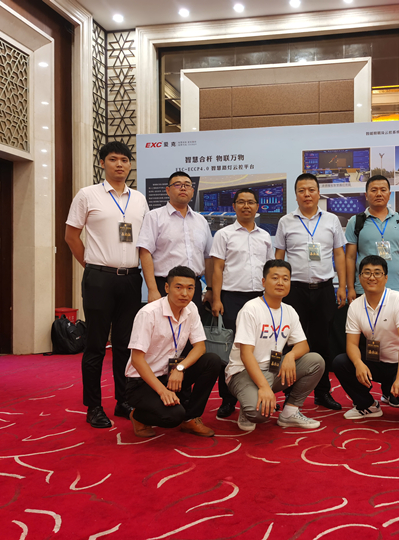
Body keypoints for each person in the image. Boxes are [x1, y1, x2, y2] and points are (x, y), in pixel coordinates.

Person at [65, 141, 149, 428]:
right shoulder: (87, 195)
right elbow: (71, 236)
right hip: (99, 279)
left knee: (126, 345)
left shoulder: (139, 199)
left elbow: (144, 241)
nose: (119, 165)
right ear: (102, 163)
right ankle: (94, 407)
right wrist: (90, 266)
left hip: (131, 279)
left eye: (124, 160)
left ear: (130, 164)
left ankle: (123, 401)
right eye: (113, 159)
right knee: (96, 345)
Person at [274, 173, 347, 411]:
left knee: (322, 342)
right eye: (302, 190)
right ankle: (290, 393)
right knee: (291, 342)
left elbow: (339, 254)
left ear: (318, 193)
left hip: (324, 289)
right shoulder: (286, 221)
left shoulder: (331, 220)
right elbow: (279, 256)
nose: (307, 194)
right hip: (294, 291)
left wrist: (342, 286)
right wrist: (278, 288)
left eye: (311, 190)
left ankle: (322, 392)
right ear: (296, 194)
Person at [225, 259, 325, 432]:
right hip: (243, 372)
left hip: (273, 369)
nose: (280, 282)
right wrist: (264, 387)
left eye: (285, 279)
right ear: (264, 282)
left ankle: (290, 412)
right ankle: (246, 406)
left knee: (315, 361)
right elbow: (245, 355)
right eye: (275, 278)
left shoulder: (289, 310)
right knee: (259, 414)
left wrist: (290, 356)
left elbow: (303, 345)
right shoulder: (251, 309)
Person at [345, 174, 399, 408]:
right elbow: (350, 256)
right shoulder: (357, 221)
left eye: (383, 189)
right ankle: (366, 395)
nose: (378, 193)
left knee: (395, 341)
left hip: (396, 290)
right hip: (365, 291)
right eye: (373, 190)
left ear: (389, 194)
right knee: (368, 342)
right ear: (366, 194)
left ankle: (391, 390)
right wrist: (350, 287)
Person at [125, 266, 221, 438]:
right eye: (179, 287)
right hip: (141, 381)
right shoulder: (148, 313)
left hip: (170, 374)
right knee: (173, 416)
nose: (185, 293)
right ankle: (137, 416)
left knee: (212, 361)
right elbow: (137, 360)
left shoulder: (191, 309)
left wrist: (180, 368)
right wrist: (163, 391)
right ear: (167, 288)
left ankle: (191, 419)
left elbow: (200, 347)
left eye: (190, 288)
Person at [333, 256, 399, 425]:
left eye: (377, 273)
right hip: (379, 361)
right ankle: (368, 406)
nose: (372, 277)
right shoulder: (355, 306)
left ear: (386, 278)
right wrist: (358, 364)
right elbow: (352, 344)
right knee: (341, 362)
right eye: (367, 273)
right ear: (359, 277)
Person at [210, 187, 274, 419]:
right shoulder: (223, 234)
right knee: (230, 350)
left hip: (259, 298)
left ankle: (260, 391)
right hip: (231, 298)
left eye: (250, 202)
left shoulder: (265, 236)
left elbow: (270, 271)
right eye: (241, 202)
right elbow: (217, 268)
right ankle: (227, 399)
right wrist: (216, 298)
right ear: (234, 206)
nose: (246, 206)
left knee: (260, 346)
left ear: (257, 207)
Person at [137, 171, 213, 312]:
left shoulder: (201, 221)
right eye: (177, 185)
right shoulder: (154, 217)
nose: (183, 188)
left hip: (193, 288)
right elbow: (145, 252)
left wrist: (210, 288)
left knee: (192, 325)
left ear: (192, 191)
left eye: (187, 185)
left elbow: (208, 257)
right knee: (163, 325)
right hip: (165, 286)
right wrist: (152, 289)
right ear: (168, 190)